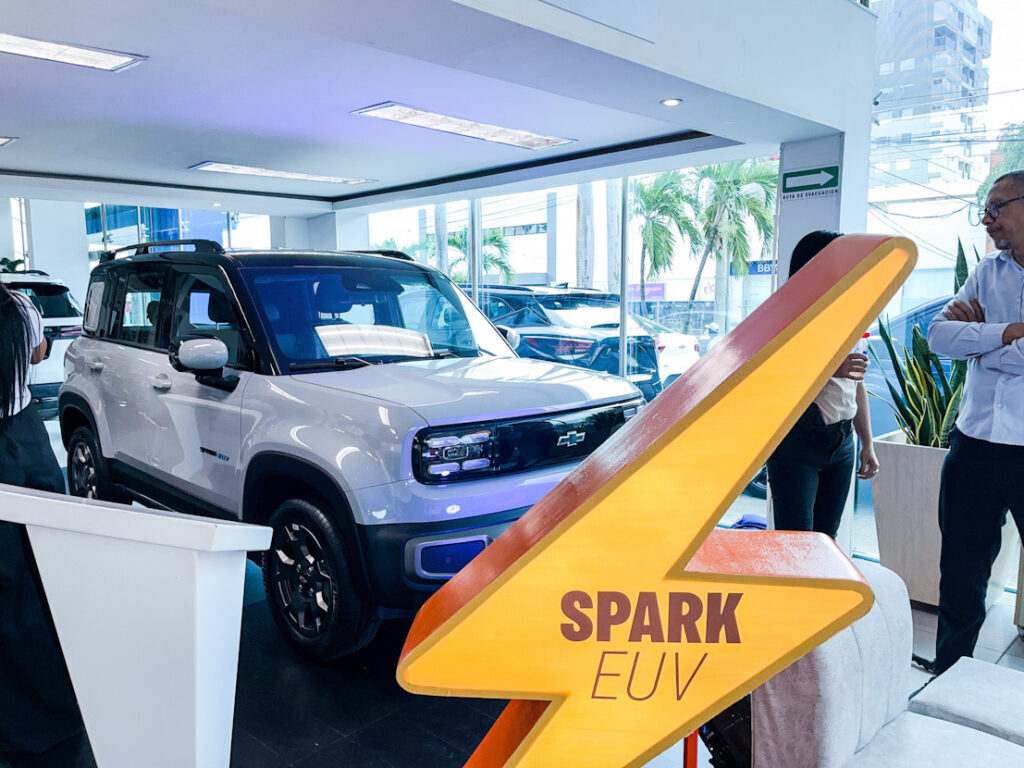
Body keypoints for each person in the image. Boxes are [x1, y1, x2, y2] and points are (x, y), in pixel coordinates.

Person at [928, 170, 1024, 673]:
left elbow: (965, 342)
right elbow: (938, 337)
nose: (986, 220)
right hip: (973, 445)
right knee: (961, 575)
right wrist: (1009, 332)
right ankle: (947, 680)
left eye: (996, 207)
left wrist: (982, 341)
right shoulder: (986, 272)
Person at [0, 280, 85, 759]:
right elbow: (37, 354)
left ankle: (26, 715)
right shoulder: (19, 305)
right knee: (50, 567)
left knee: (9, 589)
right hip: (28, 439)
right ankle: (68, 693)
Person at [766, 230, 880, 537]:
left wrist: (867, 443)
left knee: (826, 542)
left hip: (842, 442)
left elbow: (856, 383)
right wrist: (832, 369)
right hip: (797, 443)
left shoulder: (851, 314)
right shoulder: (787, 316)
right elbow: (777, 378)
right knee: (796, 544)